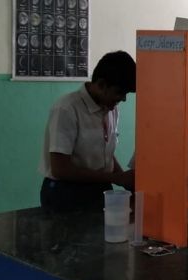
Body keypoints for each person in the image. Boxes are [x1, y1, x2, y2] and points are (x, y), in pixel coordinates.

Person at [39, 50, 136, 212]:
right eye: (119, 92)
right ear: (101, 84)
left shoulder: (111, 110)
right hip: (65, 193)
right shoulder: (67, 109)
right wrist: (116, 178)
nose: (123, 99)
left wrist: (125, 179)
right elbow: (60, 168)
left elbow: (105, 154)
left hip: (99, 189)